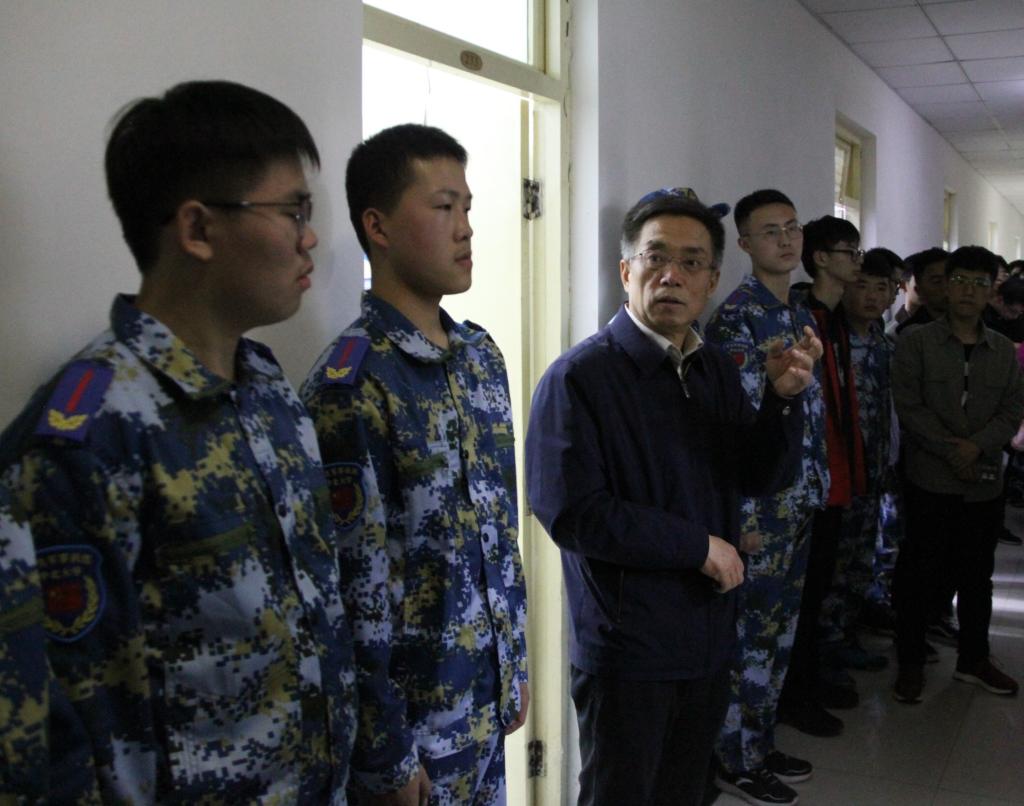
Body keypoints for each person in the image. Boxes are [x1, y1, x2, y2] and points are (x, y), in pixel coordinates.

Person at [0, 80, 357, 802]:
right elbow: (60, 737)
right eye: (292, 211)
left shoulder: (269, 391)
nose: (310, 236)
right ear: (197, 229)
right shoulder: (86, 438)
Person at [526, 188, 820, 806]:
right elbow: (573, 513)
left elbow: (757, 476)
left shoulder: (711, 369)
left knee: (686, 792)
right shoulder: (581, 377)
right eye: (655, 257)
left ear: (711, 281)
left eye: (691, 263)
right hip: (630, 648)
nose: (671, 275)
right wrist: (698, 547)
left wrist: (782, 401)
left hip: (707, 636)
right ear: (626, 271)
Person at [301, 123, 529, 806]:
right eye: (443, 207)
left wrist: (514, 662)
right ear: (378, 227)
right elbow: (351, 590)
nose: (465, 228)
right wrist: (386, 753)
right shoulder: (354, 384)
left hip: (485, 701)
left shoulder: (479, 357)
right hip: (415, 740)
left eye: (468, 208)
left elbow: (499, 532)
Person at [704, 189, 829, 806]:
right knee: (751, 636)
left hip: (798, 500)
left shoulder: (799, 314)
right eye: (770, 231)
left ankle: (760, 741)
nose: (785, 239)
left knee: (780, 634)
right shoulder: (737, 320)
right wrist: (745, 517)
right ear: (746, 244)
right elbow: (736, 429)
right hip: (763, 510)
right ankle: (735, 758)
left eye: (792, 227)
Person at [891, 246, 1023, 703]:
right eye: (960, 280)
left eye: (980, 283)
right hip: (929, 478)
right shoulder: (916, 342)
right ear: (946, 286)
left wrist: (977, 446)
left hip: (983, 483)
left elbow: (1012, 409)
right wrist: (953, 450)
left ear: (991, 292)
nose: (969, 291)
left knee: (976, 576)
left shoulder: (1002, 350)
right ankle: (910, 662)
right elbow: (909, 405)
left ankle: (974, 660)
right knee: (919, 572)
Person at [780, 215, 866, 738]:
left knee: (821, 590)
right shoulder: (800, 318)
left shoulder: (836, 318)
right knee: (803, 596)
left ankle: (808, 682)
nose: (857, 261)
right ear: (821, 259)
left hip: (835, 477)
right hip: (807, 481)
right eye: (849, 251)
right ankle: (795, 695)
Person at [819, 250, 896, 671]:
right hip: (841, 475)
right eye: (861, 285)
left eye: (880, 288)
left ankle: (847, 633)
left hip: (875, 472)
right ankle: (827, 644)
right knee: (835, 563)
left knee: (860, 560)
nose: (870, 296)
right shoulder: (832, 341)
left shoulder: (884, 342)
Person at [892, 248, 949, 336]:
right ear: (919, 289)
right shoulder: (910, 335)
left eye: (952, 280)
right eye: (937, 281)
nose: (946, 287)